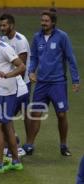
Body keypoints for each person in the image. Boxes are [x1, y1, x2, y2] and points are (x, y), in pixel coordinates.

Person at [24, 9, 80, 156]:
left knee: (61, 114)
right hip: (41, 83)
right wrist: (31, 71)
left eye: (46, 21)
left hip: (58, 83)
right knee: (35, 113)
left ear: (53, 23)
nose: (43, 23)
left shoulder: (62, 37)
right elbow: (34, 57)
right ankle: (29, 145)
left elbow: (71, 58)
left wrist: (75, 80)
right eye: (42, 20)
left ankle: (63, 145)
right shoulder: (37, 37)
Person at [0, 23, 25, 173]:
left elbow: (21, 66)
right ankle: (15, 161)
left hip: (6, 94)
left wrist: (7, 75)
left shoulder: (4, 48)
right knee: (8, 127)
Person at [0, 13, 31, 157]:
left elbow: (21, 66)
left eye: (4, 25)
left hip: (21, 84)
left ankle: (20, 145)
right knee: (6, 116)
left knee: (9, 116)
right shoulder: (3, 39)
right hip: (8, 83)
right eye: (0, 25)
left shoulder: (20, 41)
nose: (2, 28)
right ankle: (12, 143)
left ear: (12, 25)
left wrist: (15, 84)